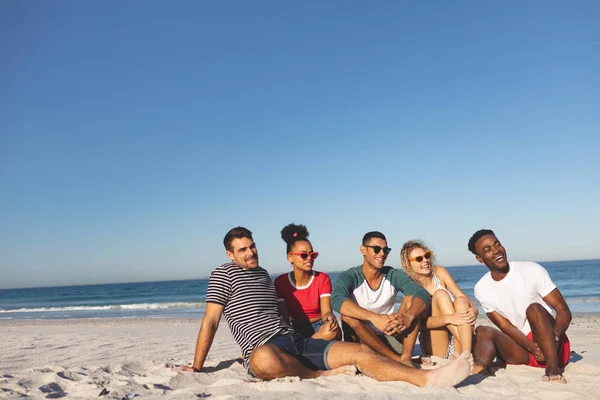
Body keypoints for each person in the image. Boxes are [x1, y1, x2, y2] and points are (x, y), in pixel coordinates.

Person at [176, 226, 471, 387]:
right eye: (243, 249)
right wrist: (198, 365)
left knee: (359, 352)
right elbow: (211, 320)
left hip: (295, 341)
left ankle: (426, 378)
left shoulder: (265, 275)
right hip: (261, 348)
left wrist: (316, 334)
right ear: (230, 254)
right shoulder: (223, 274)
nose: (251, 252)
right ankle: (319, 376)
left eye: (252, 246)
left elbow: (282, 315)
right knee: (264, 359)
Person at [468, 229, 572, 383]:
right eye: (487, 250)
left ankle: (552, 369)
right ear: (480, 259)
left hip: (553, 345)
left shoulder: (531, 269)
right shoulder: (481, 288)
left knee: (534, 309)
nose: (496, 250)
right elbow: (505, 326)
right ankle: (480, 369)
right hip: (523, 348)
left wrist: (556, 336)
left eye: (497, 244)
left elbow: (563, 309)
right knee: (483, 330)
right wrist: (531, 347)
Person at [331, 231, 431, 366]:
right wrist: (374, 318)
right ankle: (398, 361)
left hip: (390, 338)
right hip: (361, 342)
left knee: (411, 300)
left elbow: (421, 292)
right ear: (363, 250)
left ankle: (406, 358)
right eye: (377, 249)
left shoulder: (392, 274)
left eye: (386, 250)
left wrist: (408, 316)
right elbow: (336, 300)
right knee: (347, 316)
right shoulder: (349, 276)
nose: (382, 254)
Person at [400, 240, 478, 360]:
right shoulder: (411, 287)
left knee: (461, 301)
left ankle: (467, 354)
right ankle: (469, 348)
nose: (425, 260)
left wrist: (474, 310)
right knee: (441, 294)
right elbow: (419, 325)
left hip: (458, 339)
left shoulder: (439, 272)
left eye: (427, 256)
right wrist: (448, 318)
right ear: (408, 264)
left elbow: (462, 296)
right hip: (436, 342)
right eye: (419, 259)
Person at [274, 223, 341, 340]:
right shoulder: (281, 282)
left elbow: (326, 312)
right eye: (304, 255)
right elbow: (284, 318)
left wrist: (329, 317)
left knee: (333, 330)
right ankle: (307, 346)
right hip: (295, 327)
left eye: (312, 255)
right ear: (290, 257)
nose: (309, 258)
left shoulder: (322, 278)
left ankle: (305, 346)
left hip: (319, 325)